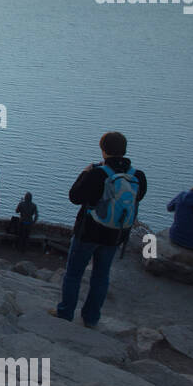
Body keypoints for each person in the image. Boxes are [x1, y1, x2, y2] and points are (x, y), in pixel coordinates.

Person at [55, 131, 148, 328]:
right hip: (115, 235)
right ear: (124, 150)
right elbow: (138, 198)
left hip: (87, 232)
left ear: (103, 150)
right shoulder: (137, 176)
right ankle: (91, 318)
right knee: (101, 276)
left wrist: (85, 173)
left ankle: (65, 314)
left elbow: (75, 197)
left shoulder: (97, 173)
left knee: (73, 274)